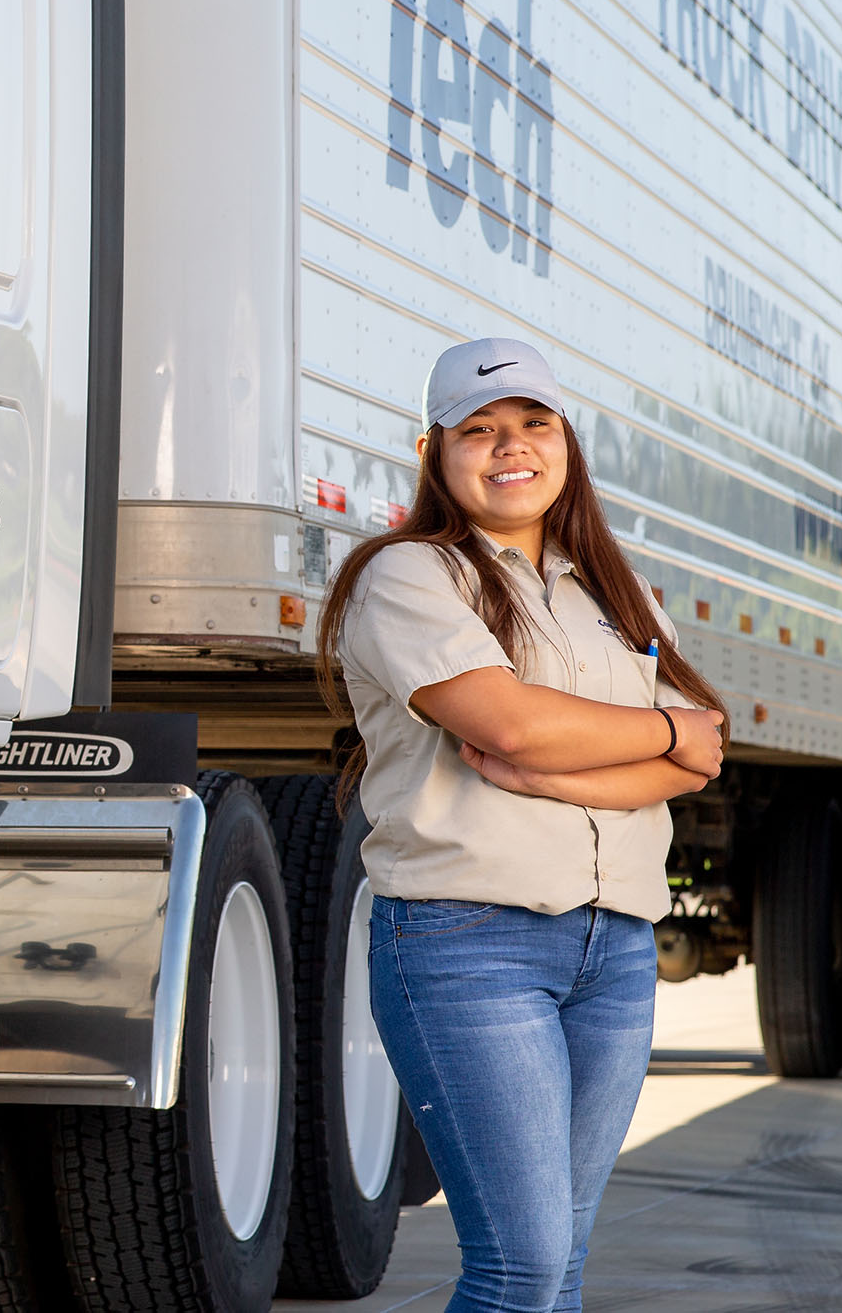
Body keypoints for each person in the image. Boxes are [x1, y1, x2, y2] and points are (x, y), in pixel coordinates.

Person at [316, 337, 728, 1312]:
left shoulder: (612, 595)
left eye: (533, 423)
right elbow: (506, 724)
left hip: (615, 947)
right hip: (468, 944)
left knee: (560, 1270)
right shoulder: (410, 577)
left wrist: (554, 773)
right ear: (434, 453)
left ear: (566, 443)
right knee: (519, 1269)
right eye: (480, 429)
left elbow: (698, 757)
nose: (511, 446)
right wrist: (647, 731)